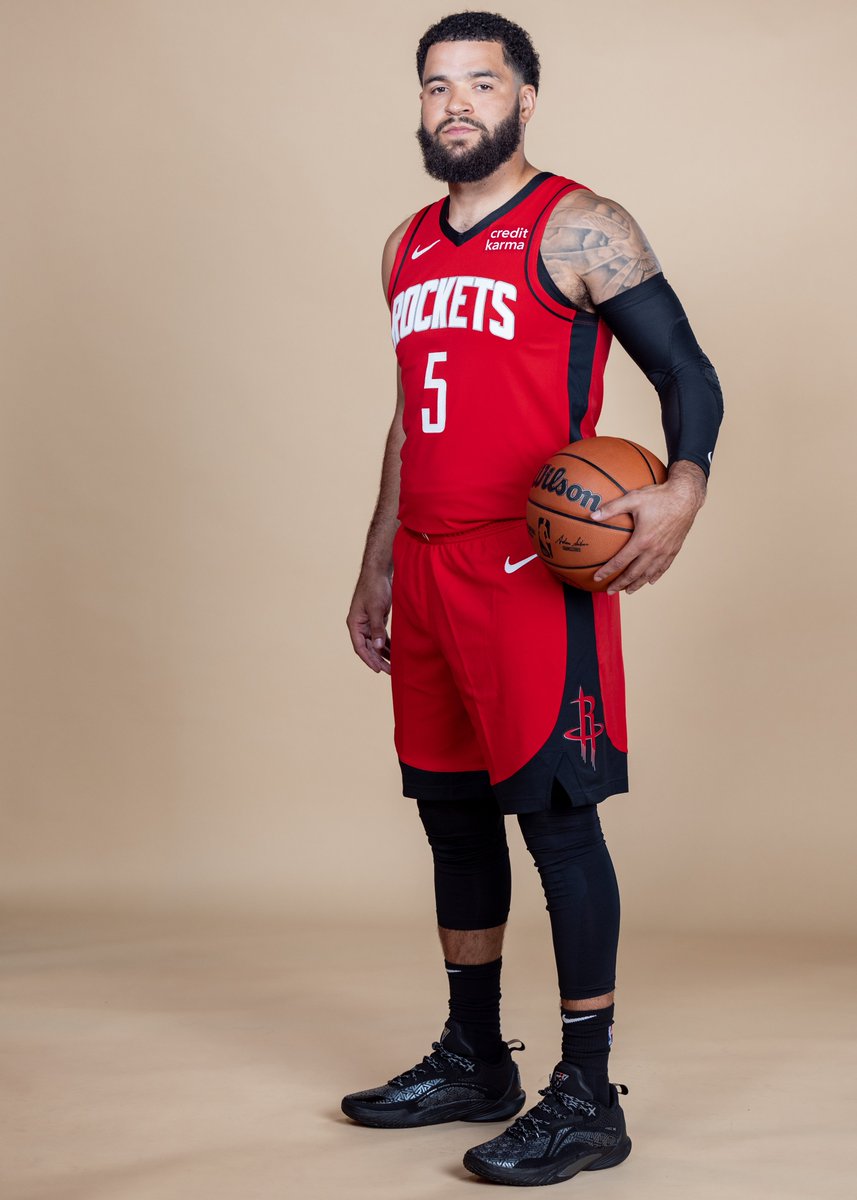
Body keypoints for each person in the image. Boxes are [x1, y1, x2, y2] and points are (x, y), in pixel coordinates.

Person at [342, 11, 723, 1188]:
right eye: (434, 86)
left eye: (479, 83)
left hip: (527, 569)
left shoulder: (578, 227)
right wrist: (374, 558)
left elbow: (686, 372)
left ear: (525, 98)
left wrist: (681, 487)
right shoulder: (405, 245)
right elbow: (415, 417)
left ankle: (586, 1092)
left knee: (553, 818)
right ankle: (473, 1058)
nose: (454, 103)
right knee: (450, 814)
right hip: (430, 564)